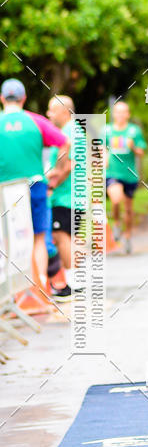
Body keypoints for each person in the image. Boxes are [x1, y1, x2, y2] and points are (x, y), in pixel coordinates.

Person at [0, 78, 70, 289]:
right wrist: (56, 172)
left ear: (2, 98)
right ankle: (39, 286)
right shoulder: (36, 121)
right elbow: (64, 143)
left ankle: (10, 291)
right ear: (24, 99)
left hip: (5, 190)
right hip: (35, 184)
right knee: (39, 237)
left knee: (6, 237)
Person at [104, 101, 146, 254]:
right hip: (112, 173)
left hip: (129, 174)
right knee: (116, 199)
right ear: (113, 114)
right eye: (117, 112)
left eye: (123, 112)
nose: (120, 115)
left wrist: (133, 146)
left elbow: (142, 151)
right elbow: (99, 148)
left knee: (128, 209)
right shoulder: (107, 130)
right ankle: (116, 224)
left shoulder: (134, 131)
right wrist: (103, 157)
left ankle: (127, 236)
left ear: (128, 114)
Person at [46, 95, 77, 297]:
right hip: (73, 195)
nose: (49, 114)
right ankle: (73, 280)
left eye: (52, 110)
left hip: (65, 196)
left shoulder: (68, 133)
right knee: (67, 237)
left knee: (61, 235)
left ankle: (72, 282)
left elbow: (68, 164)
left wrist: (52, 182)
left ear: (65, 111)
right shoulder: (76, 130)